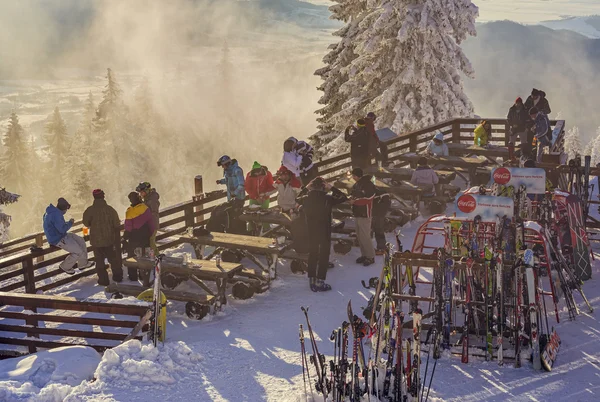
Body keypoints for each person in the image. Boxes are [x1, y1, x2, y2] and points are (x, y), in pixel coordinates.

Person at [297, 177, 347, 292]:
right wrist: (332, 187)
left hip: (311, 230)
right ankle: (320, 281)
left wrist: (305, 188)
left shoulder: (306, 198)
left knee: (313, 254)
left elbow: (296, 199)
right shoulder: (327, 198)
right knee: (324, 255)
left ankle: (312, 281)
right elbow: (343, 197)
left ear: (312, 187)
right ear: (323, 187)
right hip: (324, 230)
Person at [43, 197, 94, 275]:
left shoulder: (52, 212)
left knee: (80, 240)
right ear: (64, 208)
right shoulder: (56, 215)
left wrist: (66, 223)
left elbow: (57, 225)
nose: (66, 211)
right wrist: (70, 223)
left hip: (60, 235)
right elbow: (62, 229)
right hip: (58, 239)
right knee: (77, 252)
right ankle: (65, 266)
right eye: (66, 209)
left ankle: (83, 263)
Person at [82, 189, 122, 286]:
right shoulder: (110, 210)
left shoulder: (89, 210)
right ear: (103, 196)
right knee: (113, 259)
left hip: (96, 241)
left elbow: (85, 224)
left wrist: (85, 234)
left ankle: (104, 280)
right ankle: (118, 277)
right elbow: (117, 224)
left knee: (99, 261)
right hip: (109, 240)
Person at [123, 192, 156, 281]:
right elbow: (151, 223)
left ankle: (133, 276)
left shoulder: (129, 211)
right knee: (144, 255)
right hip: (145, 235)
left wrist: (125, 237)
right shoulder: (145, 208)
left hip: (133, 236)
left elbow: (128, 227)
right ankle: (144, 274)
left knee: (132, 256)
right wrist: (150, 234)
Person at [350, 168, 377, 266]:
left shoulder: (368, 184)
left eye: (353, 175)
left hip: (365, 213)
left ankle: (371, 256)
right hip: (357, 213)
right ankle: (364, 255)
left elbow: (369, 198)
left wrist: (355, 201)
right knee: (360, 236)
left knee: (365, 236)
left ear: (357, 175)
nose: (352, 177)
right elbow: (353, 193)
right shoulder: (357, 184)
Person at [245, 161, 275, 232]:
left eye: (258, 171)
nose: (257, 174)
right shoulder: (249, 175)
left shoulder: (267, 174)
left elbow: (271, 186)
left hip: (265, 198)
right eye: (255, 172)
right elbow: (248, 188)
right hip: (253, 198)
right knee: (251, 215)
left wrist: (264, 195)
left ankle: (267, 230)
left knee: (265, 215)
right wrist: (256, 197)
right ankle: (251, 230)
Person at [136, 182, 160, 256]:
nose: (140, 194)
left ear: (147, 191)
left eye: (142, 192)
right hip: (148, 225)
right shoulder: (147, 198)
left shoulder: (152, 200)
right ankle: (153, 257)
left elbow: (154, 212)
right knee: (148, 242)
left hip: (152, 224)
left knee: (151, 242)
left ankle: (157, 257)